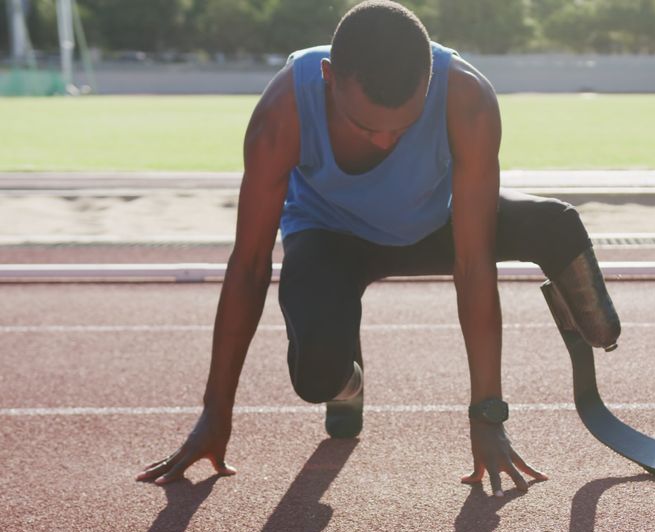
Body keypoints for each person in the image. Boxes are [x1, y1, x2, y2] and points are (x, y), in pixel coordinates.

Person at [136, 0, 620, 497]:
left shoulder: (466, 96)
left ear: (430, 79)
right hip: (331, 237)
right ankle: (350, 381)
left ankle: (598, 329)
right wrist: (215, 413)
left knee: (555, 226)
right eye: (367, 127)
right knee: (317, 379)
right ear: (329, 76)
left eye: (404, 127)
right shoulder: (284, 109)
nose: (387, 142)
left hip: (432, 223)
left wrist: (488, 413)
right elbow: (249, 266)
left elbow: (473, 265)